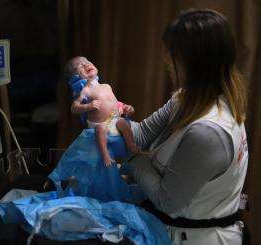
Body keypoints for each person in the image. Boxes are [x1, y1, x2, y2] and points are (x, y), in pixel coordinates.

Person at [124, 9, 249, 245]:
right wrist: (107, 115)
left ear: (195, 62)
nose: (166, 61)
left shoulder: (208, 132)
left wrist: (135, 161)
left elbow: (167, 201)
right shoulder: (185, 99)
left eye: (172, 54)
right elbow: (139, 135)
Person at [64, 56, 139, 166]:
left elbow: (114, 102)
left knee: (123, 123)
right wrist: (88, 106)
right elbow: (74, 108)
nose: (85, 64)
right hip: (99, 124)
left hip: (114, 121)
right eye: (79, 65)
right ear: (76, 77)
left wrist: (125, 107)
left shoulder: (106, 86)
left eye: (87, 62)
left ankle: (132, 146)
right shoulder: (86, 90)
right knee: (101, 129)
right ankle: (105, 155)